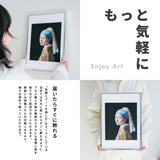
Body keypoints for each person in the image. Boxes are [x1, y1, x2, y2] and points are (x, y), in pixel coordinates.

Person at [0, 4, 68, 80]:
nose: (10, 31)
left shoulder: (48, 51)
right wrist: (62, 71)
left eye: (44, 38)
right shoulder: (9, 75)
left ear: (49, 39)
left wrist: (20, 65)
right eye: (8, 27)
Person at [87, 80, 152, 160]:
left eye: (119, 117)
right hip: (108, 152)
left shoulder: (138, 81)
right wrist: (98, 138)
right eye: (116, 117)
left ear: (125, 118)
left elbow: (145, 111)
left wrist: (144, 139)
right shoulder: (101, 81)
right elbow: (94, 112)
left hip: (133, 152)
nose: (117, 120)